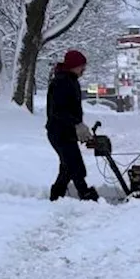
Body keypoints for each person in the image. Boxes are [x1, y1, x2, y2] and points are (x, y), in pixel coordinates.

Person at [46, 49, 99, 201]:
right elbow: (59, 110)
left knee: (68, 166)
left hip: (66, 131)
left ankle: (57, 196)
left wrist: (78, 126)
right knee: (74, 165)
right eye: (82, 66)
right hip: (59, 132)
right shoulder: (61, 82)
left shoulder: (70, 80)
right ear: (74, 66)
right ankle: (84, 194)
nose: (84, 69)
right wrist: (77, 124)